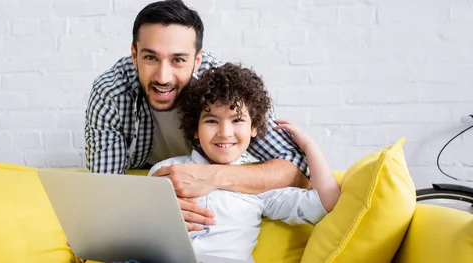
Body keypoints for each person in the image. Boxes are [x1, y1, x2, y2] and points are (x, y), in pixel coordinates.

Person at [84, 0, 310, 231]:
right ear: (134, 54)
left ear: (197, 60)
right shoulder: (111, 92)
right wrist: (149, 207)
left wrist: (213, 177)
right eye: (151, 58)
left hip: (215, 191)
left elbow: (298, 171)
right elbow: (105, 192)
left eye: (178, 60)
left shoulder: (222, 88)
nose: (163, 77)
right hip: (153, 196)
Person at [144, 62, 341, 262]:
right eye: (212, 121)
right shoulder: (168, 171)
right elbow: (139, 225)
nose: (225, 133)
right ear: (195, 128)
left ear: (253, 127)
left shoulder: (260, 186)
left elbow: (325, 203)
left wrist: (309, 146)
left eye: (237, 120)